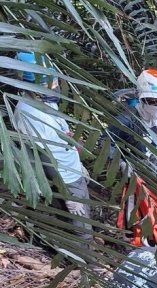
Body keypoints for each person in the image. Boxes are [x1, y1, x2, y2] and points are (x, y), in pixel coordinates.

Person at [11, 52, 93, 241]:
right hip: (62, 179)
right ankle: (85, 267)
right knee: (81, 232)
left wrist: (77, 163)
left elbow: (60, 137)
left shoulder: (44, 101)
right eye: (50, 84)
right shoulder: (29, 113)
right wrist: (66, 195)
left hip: (72, 173)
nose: (55, 87)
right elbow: (44, 157)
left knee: (80, 227)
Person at [109, 68, 157, 173]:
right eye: (152, 101)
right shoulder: (127, 121)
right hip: (133, 178)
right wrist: (120, 163)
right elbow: (106, 142)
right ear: (141, 99)